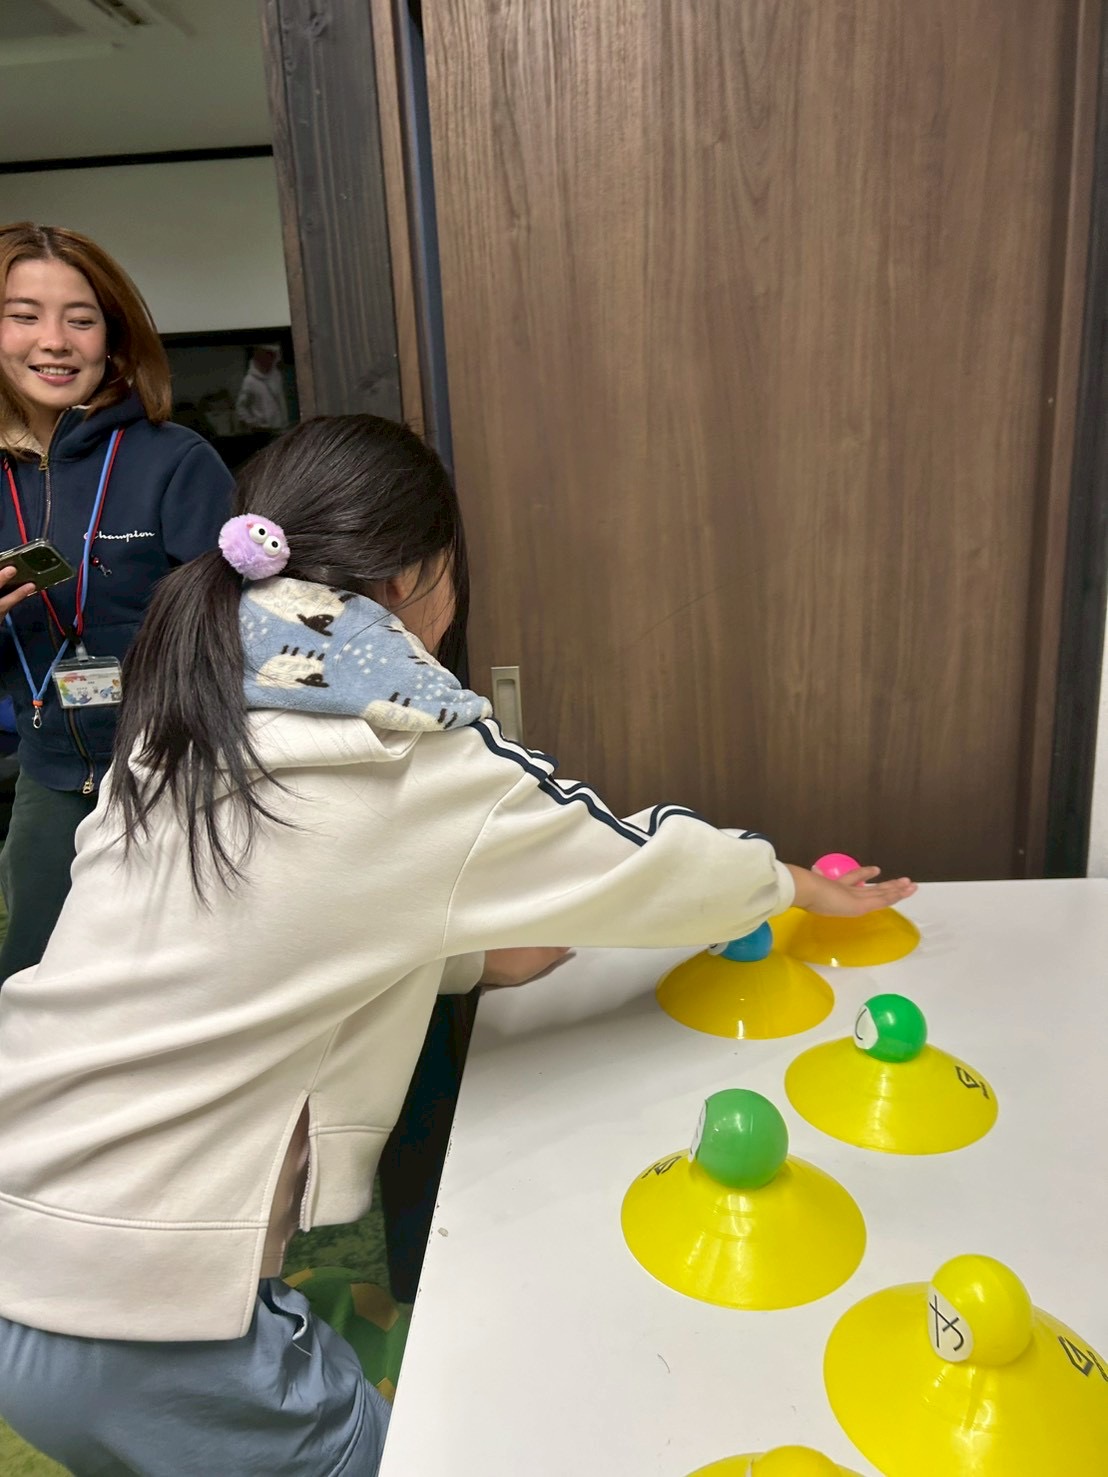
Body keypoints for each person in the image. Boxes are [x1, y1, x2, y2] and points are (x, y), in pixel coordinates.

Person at [0, 414, 915, 1476]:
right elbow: (643, 864)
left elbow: (259, 923)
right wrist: (793, 881)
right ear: (415, 576)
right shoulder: (403, 744)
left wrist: (467, 957)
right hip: (138, 1306)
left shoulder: (183, 714)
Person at [0, 222, 233, 981]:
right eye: (24, 315)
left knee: (183, 984)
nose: (54, 340)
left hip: (177, 776)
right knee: (33, 983)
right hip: (48, 776)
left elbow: (239, 632)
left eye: (81, 318)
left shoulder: (176, 460)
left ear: (113, 337)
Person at [236, 342, 290, 432]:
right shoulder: (250, 381)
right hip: (263, 432)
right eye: (268, 354)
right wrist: (254, 423)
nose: (271, 359)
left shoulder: (277, 376)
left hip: (281, 429)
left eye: (273, 355)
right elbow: (241, 408)